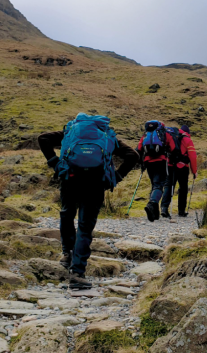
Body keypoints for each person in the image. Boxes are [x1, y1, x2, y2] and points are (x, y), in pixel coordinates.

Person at [39, 113, 139, 288]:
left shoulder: (71, 131)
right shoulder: (106, 134)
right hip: (96, 184)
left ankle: (67, 254)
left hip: (69, 180)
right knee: (85, 227)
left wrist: (55, 163)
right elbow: (133, 155)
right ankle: (78, 273)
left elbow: (43, 138)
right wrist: (117, 176)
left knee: (67, 214)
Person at [138, 119, 175, 222]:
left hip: (148, 162)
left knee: (154, 185)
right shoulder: (164, 134)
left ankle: (155, 214)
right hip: (161, 161)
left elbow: (138, 149)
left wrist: (141, 163)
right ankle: (152, 204)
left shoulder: (145, 135)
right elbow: (173, 148)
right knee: (158, 185)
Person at [161, 124, 198, 218]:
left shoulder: (171, 136)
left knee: (169, 185)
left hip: (170, 165)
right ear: (188, 133)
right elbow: (193, 157)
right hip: (183, 168)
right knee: (183, 188)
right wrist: (194, 171)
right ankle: (181, 211)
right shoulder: (188, 140)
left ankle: (164, 208)